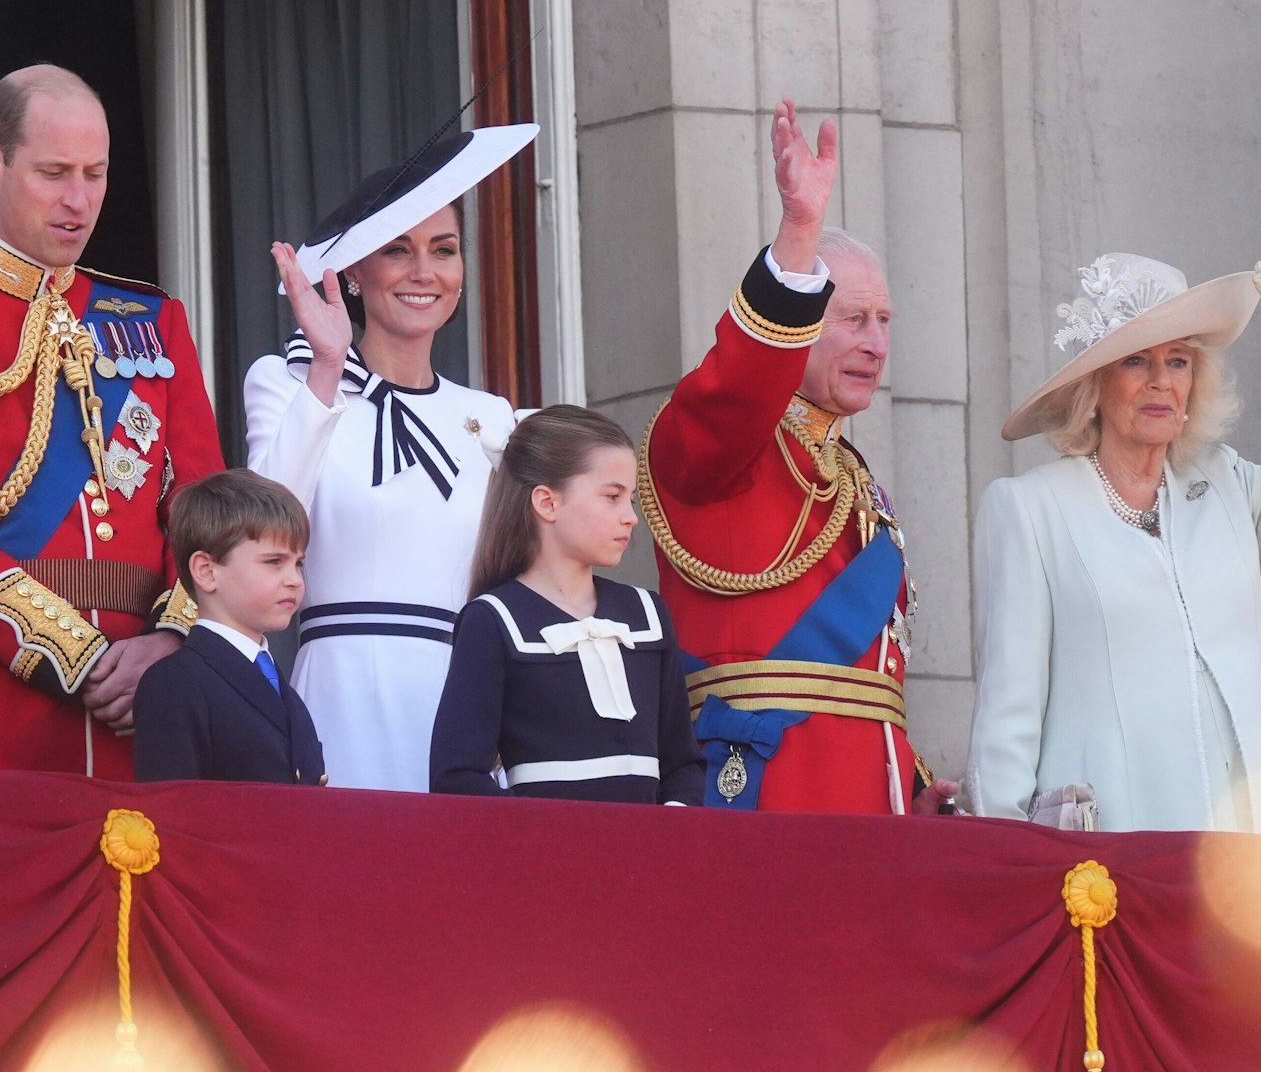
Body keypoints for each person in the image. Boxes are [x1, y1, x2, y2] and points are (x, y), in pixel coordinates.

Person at [964, 253, 1261, 834]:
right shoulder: (1031, 509)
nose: (1160, 380)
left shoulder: (1228, 484)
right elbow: (1008, 715)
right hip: (1119, 841)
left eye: (1177, 361)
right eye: (1136, 360)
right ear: (1094, 383)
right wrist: (1006, 855)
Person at [0, 64, 225, 779]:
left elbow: (204, 505)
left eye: (96, 173)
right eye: (54, 172)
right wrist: (74, 654)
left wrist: (174, 640)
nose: (79, 200)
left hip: (154, 704)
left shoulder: (154, 320)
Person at [638, 100, 954, 815]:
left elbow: (870, 687)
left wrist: (908, 785)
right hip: (761, 791)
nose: (876, 343)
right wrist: (798, 236)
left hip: (872, 809)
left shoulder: (853, 478)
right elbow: (737, 386)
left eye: (883, 322)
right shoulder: (719, 450)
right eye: (852, 319)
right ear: (802, 325)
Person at [248, 123, 538, 792]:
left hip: (463, 697)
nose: (423, 272)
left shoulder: (495, 417)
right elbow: (261, 526)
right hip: (340, 689)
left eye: (444, 250)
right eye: (397, 250)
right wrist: (327, 367)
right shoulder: (287, 381)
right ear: (353, 272)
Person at [430, 406, 704, 804]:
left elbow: (682, 763)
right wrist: (539, 844)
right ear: (547, 502)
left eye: (632, 500)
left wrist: (671, 833)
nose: (631, 518)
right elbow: (456, 777)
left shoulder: (647, 614)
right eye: (612, 497)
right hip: (546, 860)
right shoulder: (494, 620)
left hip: (650, 857)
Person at [132, 470, 327, 786]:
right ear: (207, 571)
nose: (293, 579)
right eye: (274, 562)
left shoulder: (284, 690)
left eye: (298, 563)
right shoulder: (176, 684)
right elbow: (172, 814)